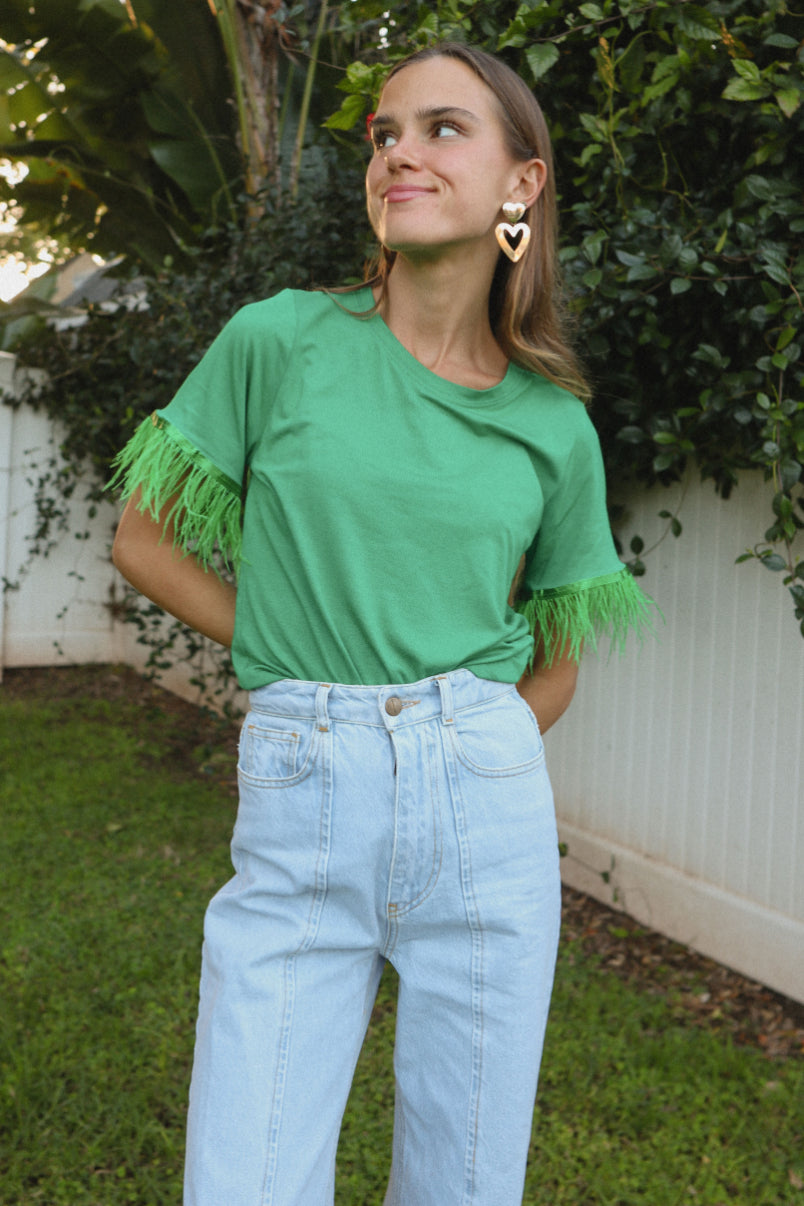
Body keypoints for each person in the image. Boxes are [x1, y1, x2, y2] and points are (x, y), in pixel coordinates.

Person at [109, 41, 652, 1206]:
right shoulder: (281, 340)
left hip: (485, 800)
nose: (399, 150)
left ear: (523, 184)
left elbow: (559, 662)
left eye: (442, 128)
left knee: (465, 1180)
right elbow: (143, 541)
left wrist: (485, 742)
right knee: (243, 1177)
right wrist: (289, 651)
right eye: (382, 133)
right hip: (306, 778)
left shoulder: (554, 425)